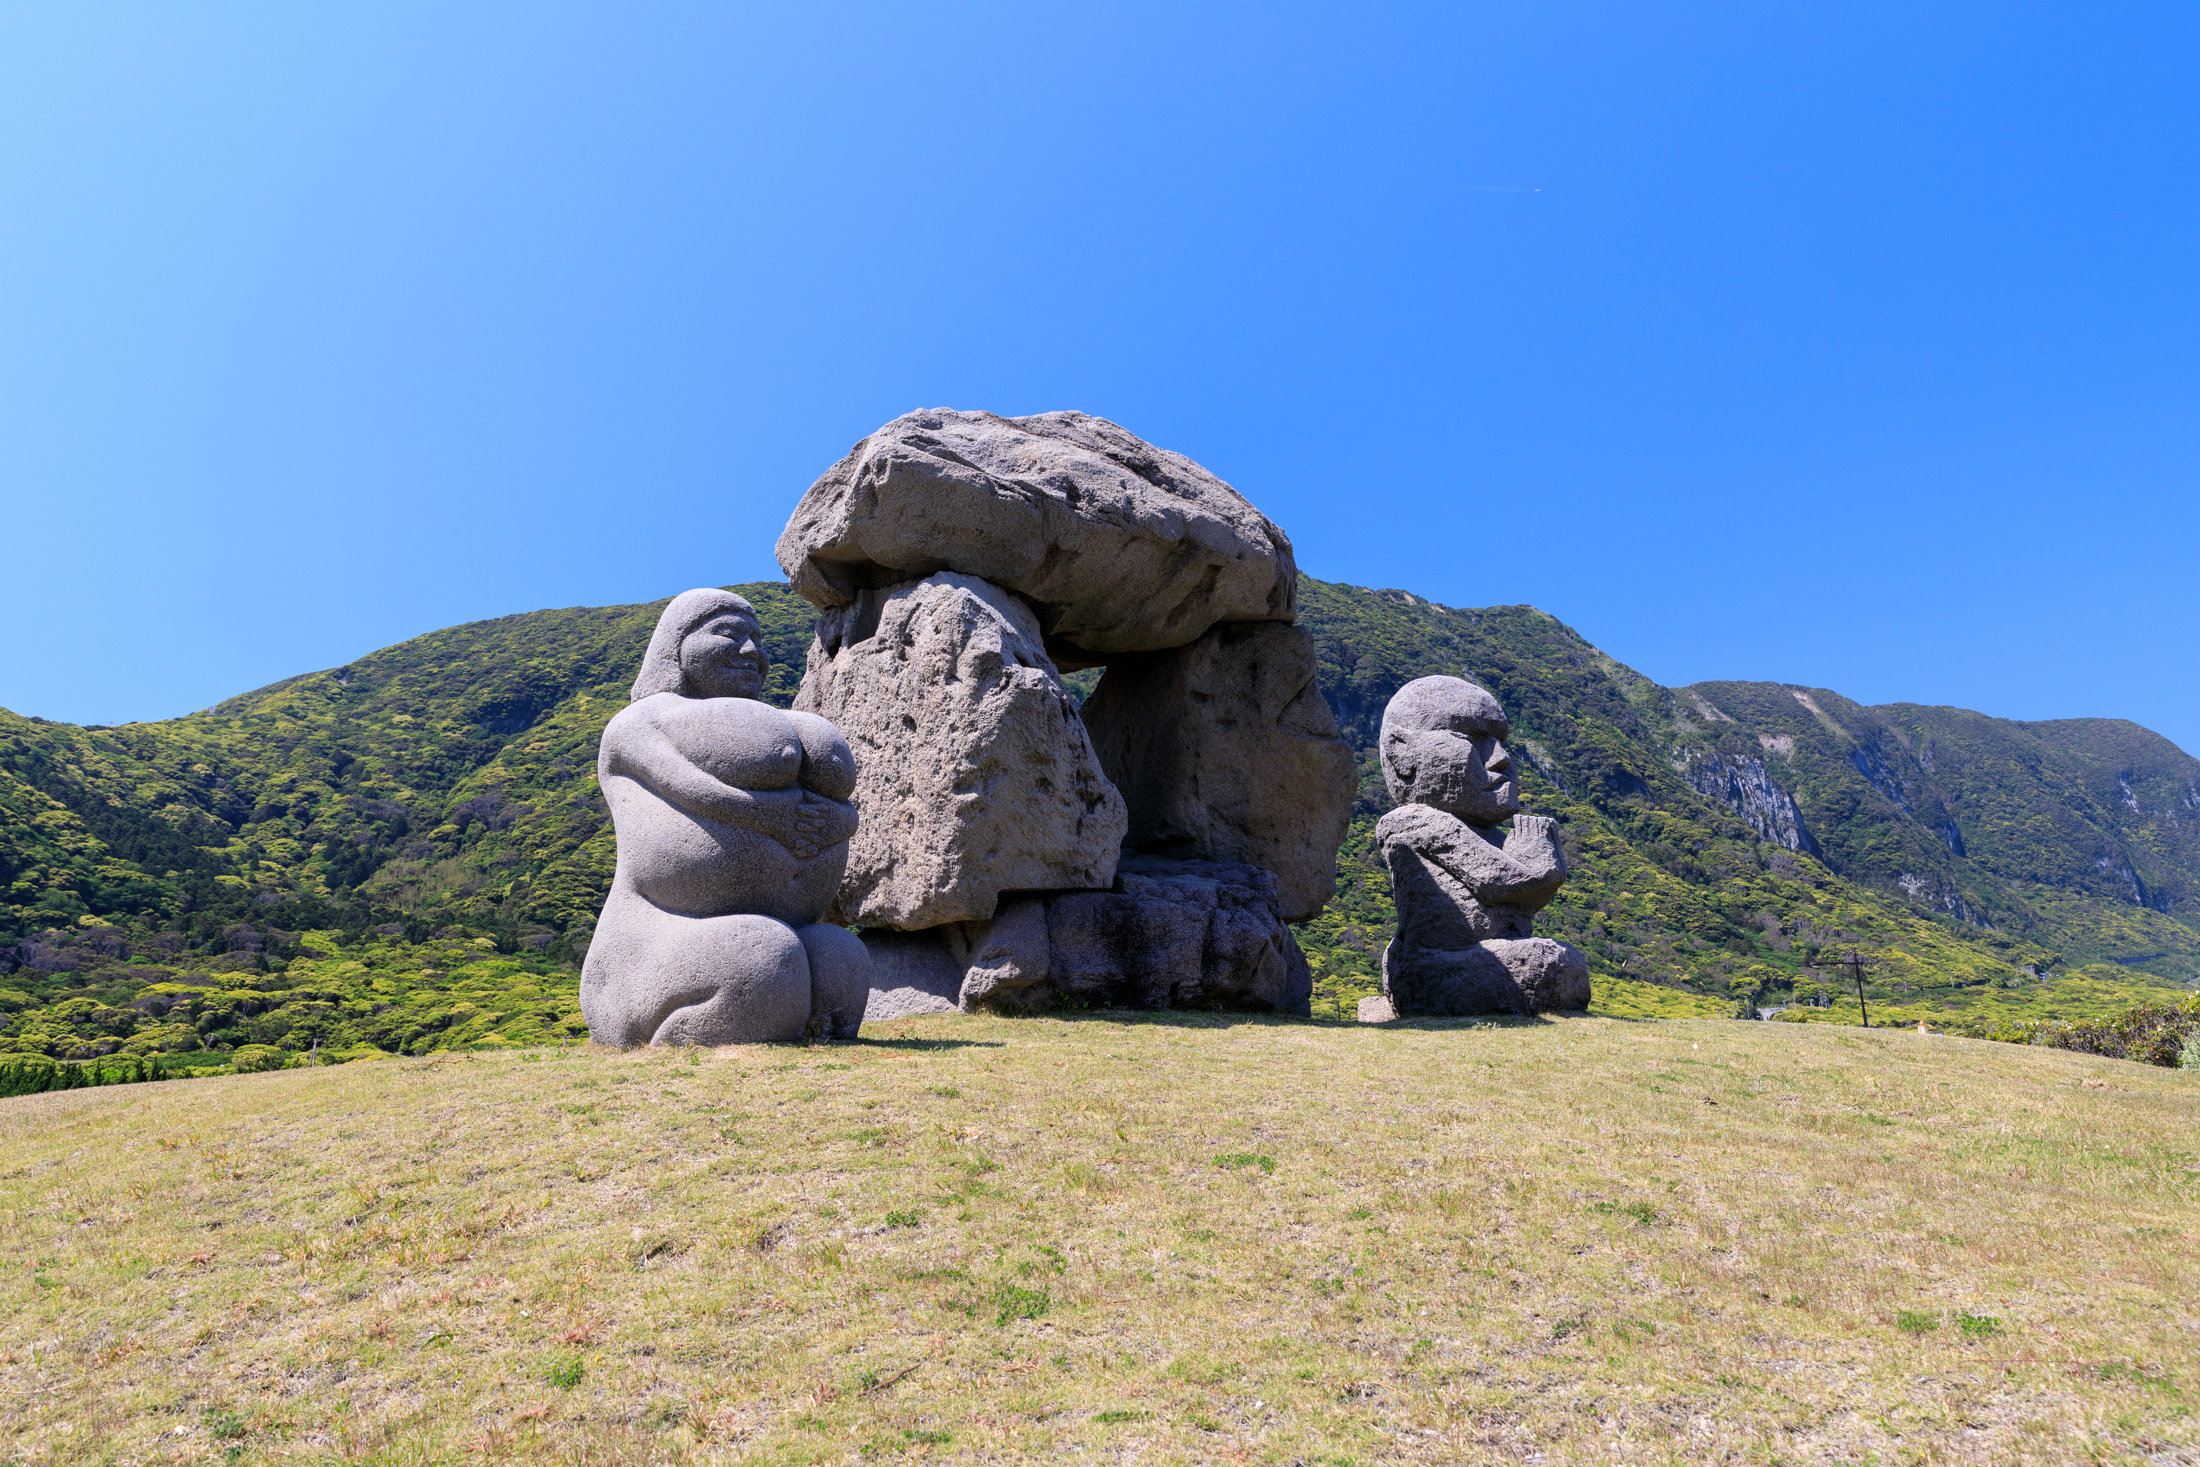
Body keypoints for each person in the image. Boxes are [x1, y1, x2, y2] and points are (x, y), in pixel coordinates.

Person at [580, 589, 870, 1045]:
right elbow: (686, 786)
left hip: (785, 924)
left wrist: (838, 822)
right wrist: (770, 817)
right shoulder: (638, 723)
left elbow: (846, 812)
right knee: (760, 958)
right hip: (655, 941)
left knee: (840, 955)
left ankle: (804, 1027)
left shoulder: (779, 719)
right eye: (728, 634)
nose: (752, 651)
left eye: (757, 639)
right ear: (677, 645)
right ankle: (668, 1035)